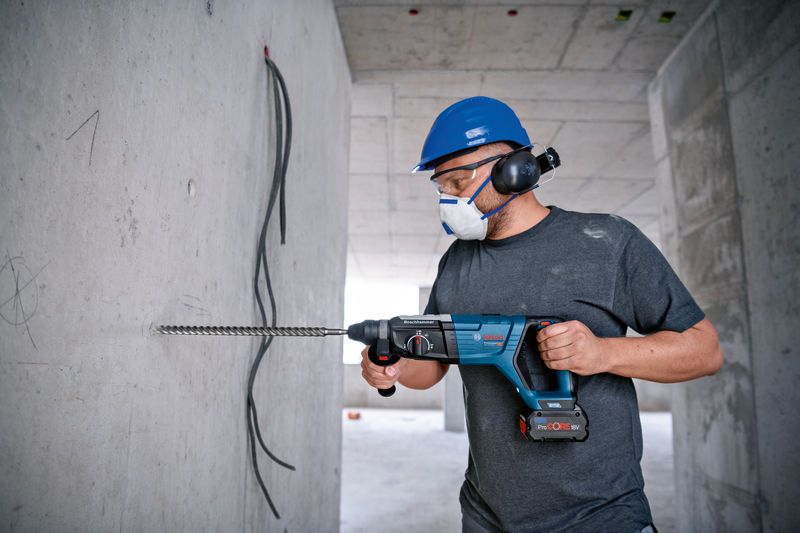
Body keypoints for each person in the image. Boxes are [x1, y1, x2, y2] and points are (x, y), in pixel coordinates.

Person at [359, 96, 723, 533]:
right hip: (486, 516)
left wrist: (602, 353)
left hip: (599, 517)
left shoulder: (607, 241)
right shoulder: (456, 262)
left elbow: (705, 351)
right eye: (441, 187)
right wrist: (394, 365)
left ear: (513, 170)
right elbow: (433, 367)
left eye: (457, 182)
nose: (447, 198)